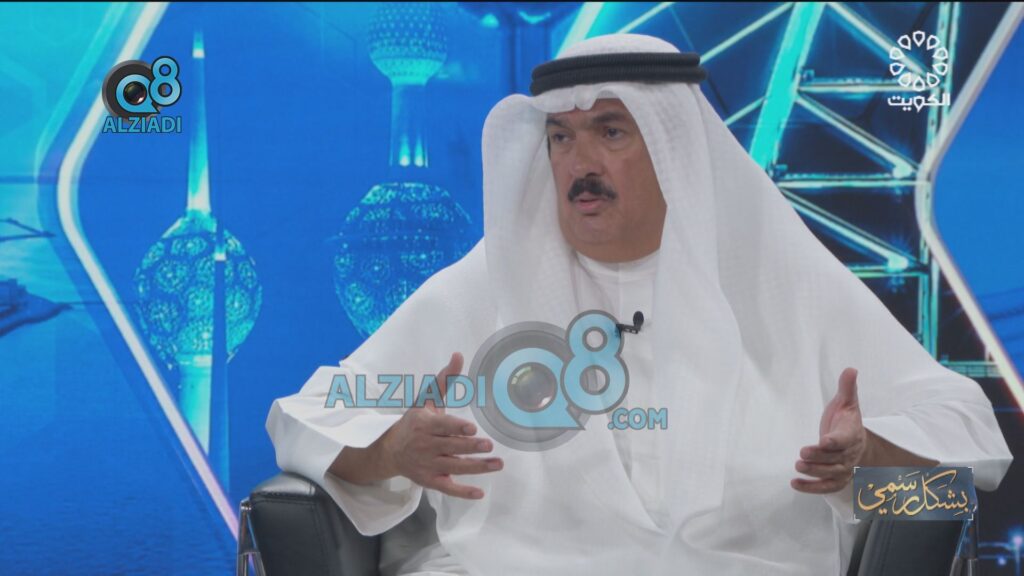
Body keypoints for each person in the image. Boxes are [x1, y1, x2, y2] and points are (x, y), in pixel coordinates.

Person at [267, 33, 1012, 575]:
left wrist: (869, 454)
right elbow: (304, 418)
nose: (579, 163)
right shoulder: (484, 285)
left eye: (610, 132)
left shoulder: (781, 277)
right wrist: (390, 450)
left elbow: (974, 444)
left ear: (675, 147)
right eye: (561, 138)